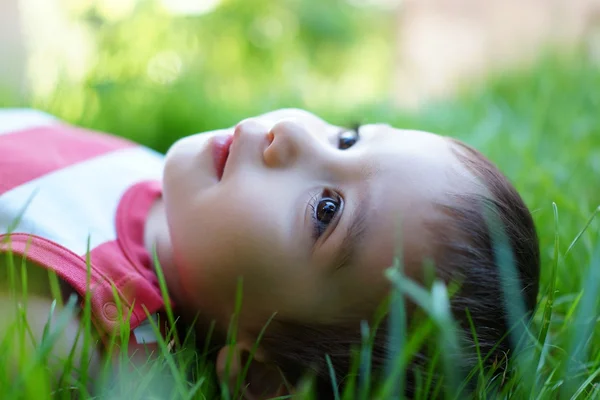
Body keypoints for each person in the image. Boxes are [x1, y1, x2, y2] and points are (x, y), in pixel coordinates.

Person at [0, 107, 540, 398]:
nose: (294, 136)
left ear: (257, 375)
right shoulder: (158, 179)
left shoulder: (65, 315)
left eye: (326, 211)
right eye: (348, 139)